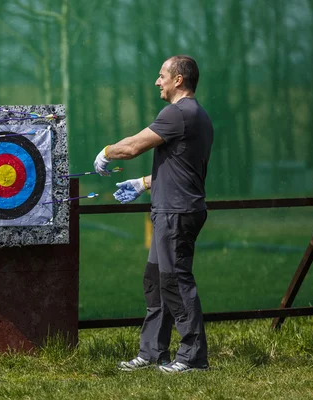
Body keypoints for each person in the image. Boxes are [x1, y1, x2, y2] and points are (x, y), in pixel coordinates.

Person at [93, 55, 214, 373]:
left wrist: (106, 152)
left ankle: (193, 357)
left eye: (162, 76)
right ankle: (152, 352)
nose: (157, 81)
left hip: (176, 213)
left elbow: (133, 146)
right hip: (170, 209)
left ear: (179, 80)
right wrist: (142, 182)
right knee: (156, 281)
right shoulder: (196, 115)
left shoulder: (179, 112)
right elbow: (181, 167)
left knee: (175, 281)